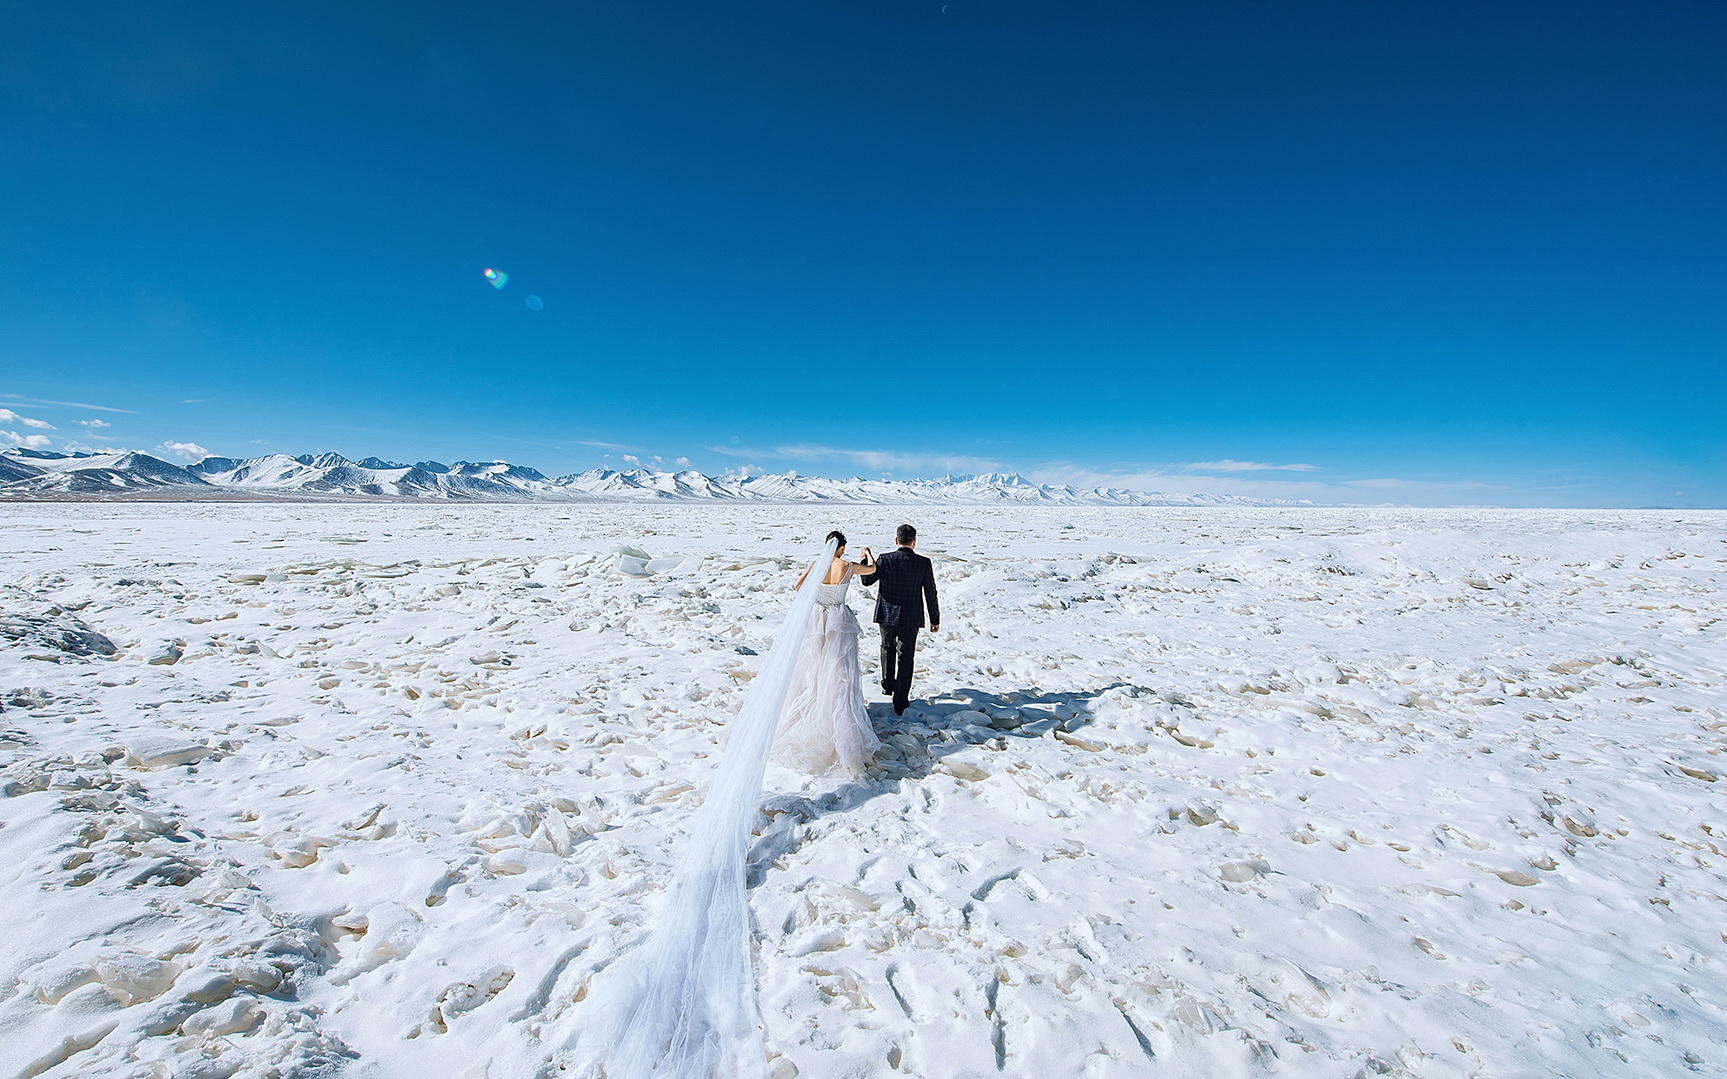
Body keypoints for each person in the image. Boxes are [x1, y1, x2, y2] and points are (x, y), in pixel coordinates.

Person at [772, 530, 883, 777]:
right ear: (842, 547)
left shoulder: (816, 565)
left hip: (818, 620)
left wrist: (812, 578)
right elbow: (872, 570)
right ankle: (837, 717)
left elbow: (798, 586)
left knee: (817, 665)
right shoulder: (846, 565)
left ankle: (817, 706)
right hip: (838, 619)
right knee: (841, 670)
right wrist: (867, 555)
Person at [859, 523, 940, 715]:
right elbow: (931, 592)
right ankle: (901, 700)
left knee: (887, 647)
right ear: (914, 542)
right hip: (911, 616)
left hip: (887, 613)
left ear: (896, 541)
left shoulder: (885, 560)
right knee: (906, 656)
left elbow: (865, 581)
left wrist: (864, 560)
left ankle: (888, 685)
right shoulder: (923, 563)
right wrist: (934, 618)